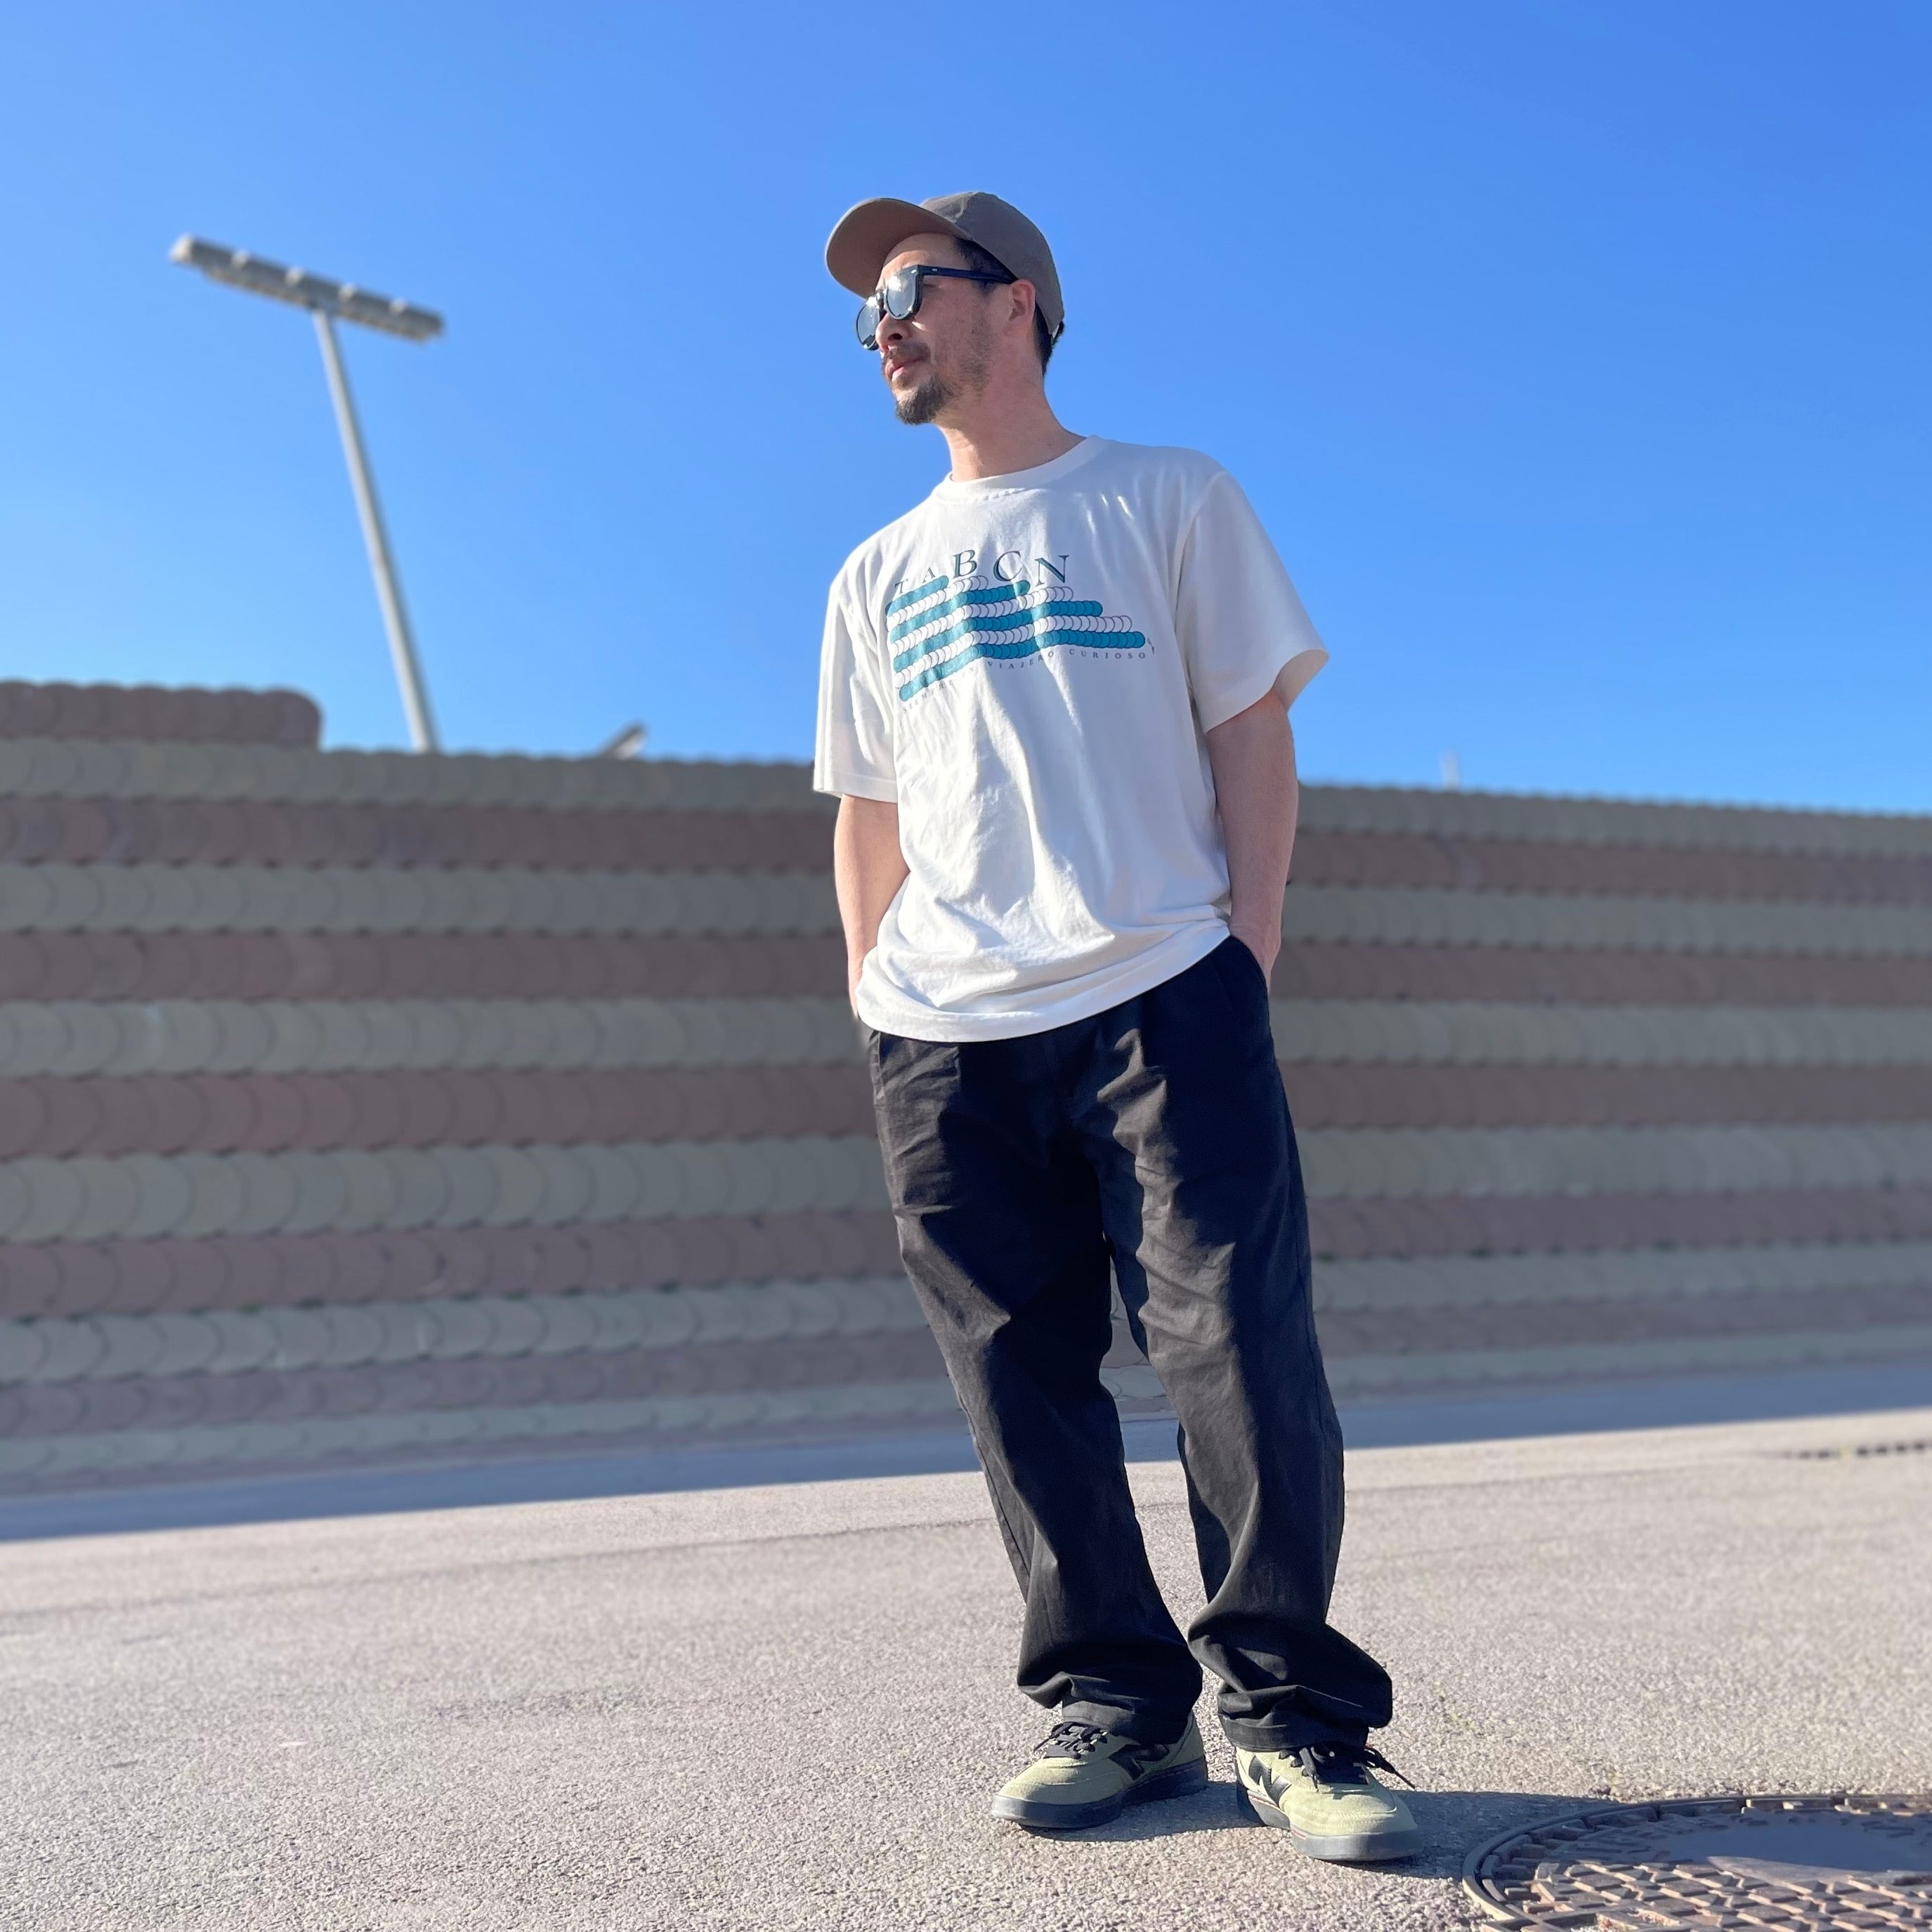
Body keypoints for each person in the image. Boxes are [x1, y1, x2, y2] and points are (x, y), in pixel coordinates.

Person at [814, 190, 1418, 1863]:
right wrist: (874, 987)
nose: (881, 325)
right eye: (863, 310)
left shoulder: (1165, 494)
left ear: (1016, 300)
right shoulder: (872, 573)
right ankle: (1116, 1706)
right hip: (941, 1024)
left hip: (1160, 983)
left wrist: (1240, 952)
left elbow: (1249, 729)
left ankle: (1292, 1719)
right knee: (1016, 1373)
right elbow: (869, 809)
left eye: (908, 288)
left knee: (1235, 1345)